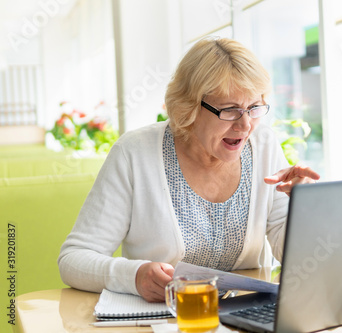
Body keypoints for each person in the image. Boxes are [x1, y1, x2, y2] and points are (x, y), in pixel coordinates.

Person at [58, 37, 320, 302]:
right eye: (229, 110)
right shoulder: (134, 153)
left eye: (253, 108)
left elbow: (293, 254)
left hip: (246, 315)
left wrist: (304, 210)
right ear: (190, 107)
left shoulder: (263, 144)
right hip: (167, 321)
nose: (245, 126)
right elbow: (74, 259)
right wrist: (134, 276)